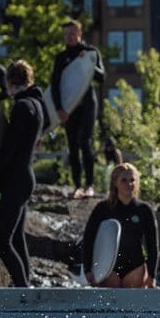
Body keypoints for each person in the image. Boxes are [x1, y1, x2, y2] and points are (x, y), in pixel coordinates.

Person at [0, 60, 44, 288]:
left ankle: (23, 292)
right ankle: (27, 288)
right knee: (16, 238)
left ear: (9, 82)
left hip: (16, 181)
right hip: (24, 179)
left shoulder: (22, 107)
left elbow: (8, 148)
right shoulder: (36, 104)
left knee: (2, 242)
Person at [51, 19, 105, 199]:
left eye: (73, 34)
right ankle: (77, 185)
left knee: (84, 141)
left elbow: (102, 77)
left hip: (88, 104)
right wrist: (59, 109)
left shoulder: (91, 52)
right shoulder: (61, 57)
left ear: (80, 33)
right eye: (66, 34)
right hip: (68, 108)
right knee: (72, 146)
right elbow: (55, 85)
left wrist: (89, 64)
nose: (70, 37)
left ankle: (90, 185)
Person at [81, 162, 159, 288]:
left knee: (132, 305)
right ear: (115, 183)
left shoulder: (144, 210)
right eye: (124, 180)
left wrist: (152, 276)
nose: (129, 184)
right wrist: (87, 270)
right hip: (107, 268)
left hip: (135, 268)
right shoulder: (103, 209)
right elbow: (89, 239)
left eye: (132, 180)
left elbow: (152, 245)